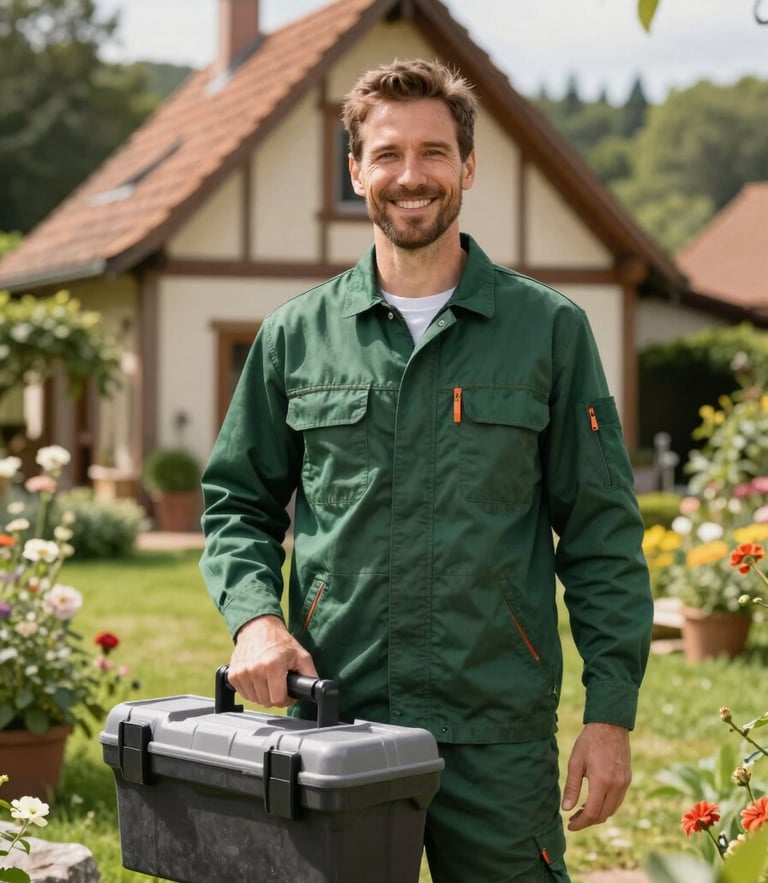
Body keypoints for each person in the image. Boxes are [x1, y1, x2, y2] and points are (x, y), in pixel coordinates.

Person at [200, 58, 653, 882]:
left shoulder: (549, 330)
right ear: (355, 171)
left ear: (469, 166)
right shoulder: (294, 337)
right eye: (387, 154)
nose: (411, 176)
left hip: (497, 731)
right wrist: (255, 620)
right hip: (337, 720)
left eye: (434, 153)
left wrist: (610, 714)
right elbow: (238, 501)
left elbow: (600, 530)